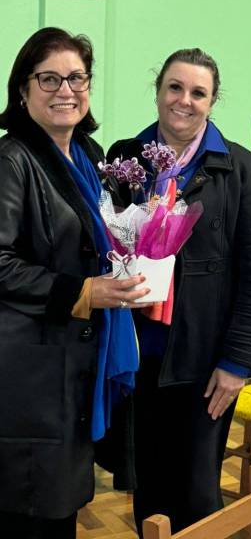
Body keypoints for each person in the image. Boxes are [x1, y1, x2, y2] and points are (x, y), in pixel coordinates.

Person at [107, 47, 251, 537]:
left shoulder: (242, 168)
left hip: (206, 362)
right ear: (158, 91)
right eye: (175, 88)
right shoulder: (124, 158)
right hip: (138, 355)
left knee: (199, 491)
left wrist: (237, 363)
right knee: (148, 488)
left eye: (198, 93)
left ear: (212, 101)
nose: (184, 100)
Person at [0, 27, 147, 539]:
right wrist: (84, 291)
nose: (66, 90)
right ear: (23, 90)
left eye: (77, 78)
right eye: (49, 79)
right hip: (31, 370)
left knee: (62, 504)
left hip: (75, 357)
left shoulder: (88, 153)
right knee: (33, 507)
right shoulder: (12, 160)